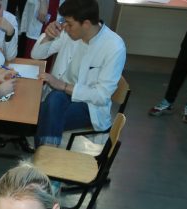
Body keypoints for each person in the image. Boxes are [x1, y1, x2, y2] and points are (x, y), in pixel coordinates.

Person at [30, 0, 125, 147]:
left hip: (89, 106)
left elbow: (101, 96)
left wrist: (63, 86)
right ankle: (47, 154)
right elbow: (36, 55)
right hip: (58, 99)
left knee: (41, 114)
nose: (65, 27)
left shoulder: (114, 46)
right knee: (53, 102)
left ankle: (44, 154)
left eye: (69, 23)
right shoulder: (69, 33)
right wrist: (48, 36)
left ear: (86, 24)